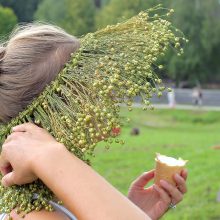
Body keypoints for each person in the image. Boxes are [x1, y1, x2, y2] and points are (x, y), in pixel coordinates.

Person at [0, 24, 188, 220]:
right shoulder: (33, 215)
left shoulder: (50, 199)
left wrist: (132, 210)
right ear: (58, 111)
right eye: (95, 87)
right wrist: (47, 155)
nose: (113, 95)